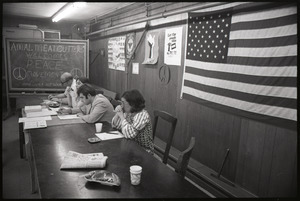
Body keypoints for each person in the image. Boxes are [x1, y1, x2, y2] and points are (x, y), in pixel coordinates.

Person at [112, 89, 154, 154]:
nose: (121, 105)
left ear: (132, 104)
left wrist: (122, 117)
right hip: (131, 146)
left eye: (123, 102)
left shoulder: (142, 115)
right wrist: (118, 114)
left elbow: (130, 134)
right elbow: (116, 126)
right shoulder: (130, 112)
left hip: (144, 151)